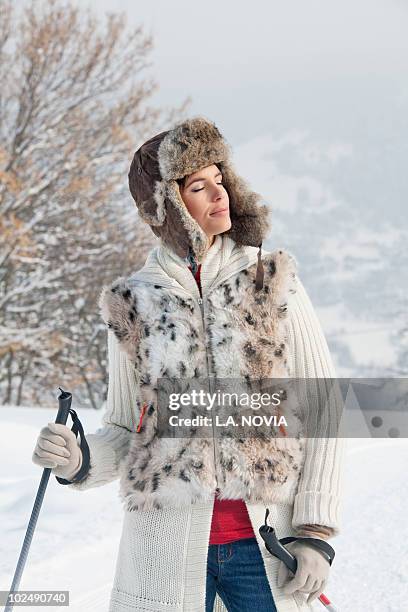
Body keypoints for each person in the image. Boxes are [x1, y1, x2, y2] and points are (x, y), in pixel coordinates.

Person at [32, 116, 345, 612]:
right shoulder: (133, 302)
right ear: (167, 206)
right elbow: (124, 426)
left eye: (220, 179)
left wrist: (315, 532)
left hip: (262, 549)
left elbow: (325, 408)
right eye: (199, 186)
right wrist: (78, 460)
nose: (220, 194)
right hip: (165, 551)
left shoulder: (271, 280)